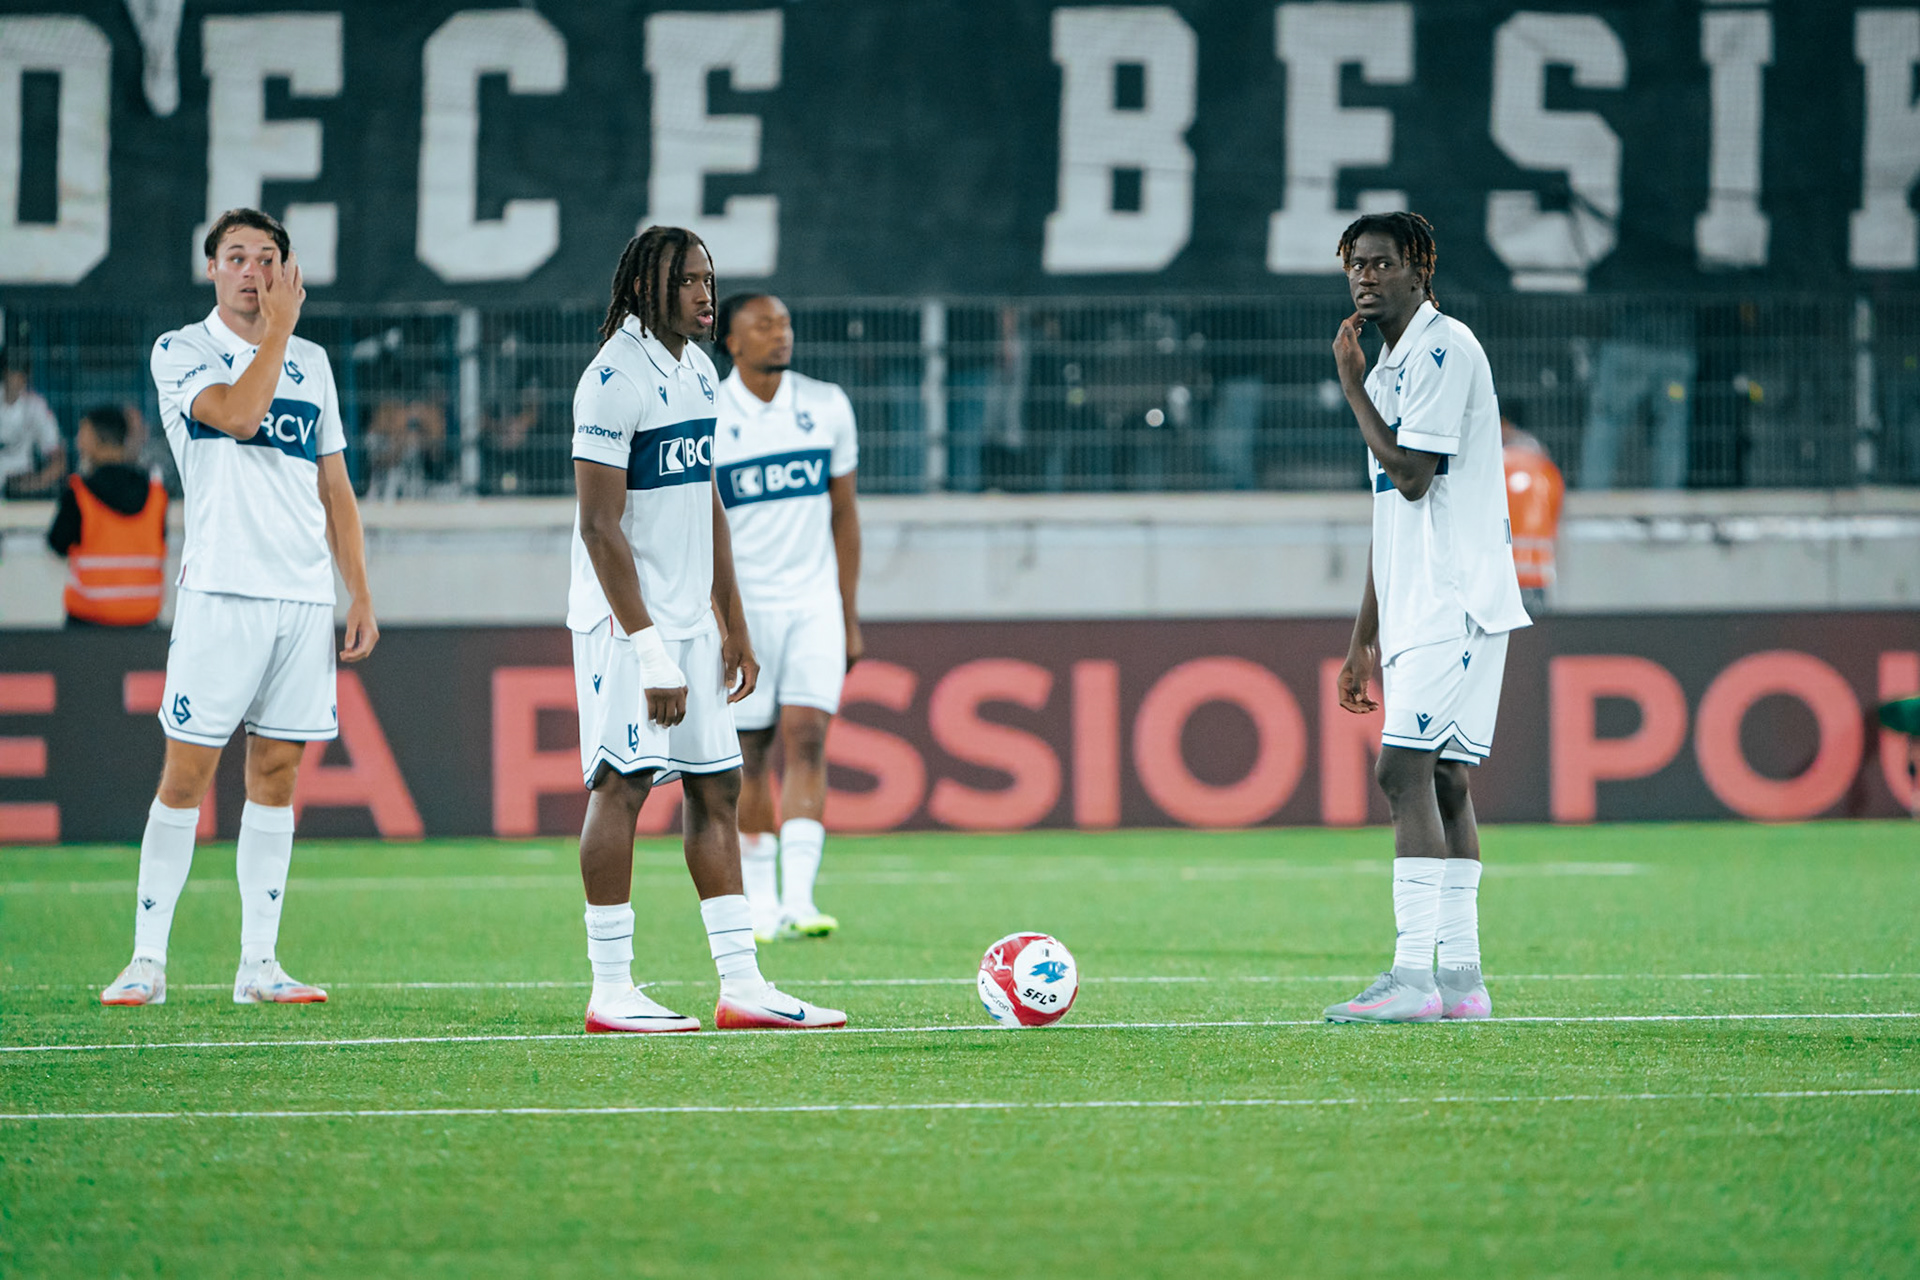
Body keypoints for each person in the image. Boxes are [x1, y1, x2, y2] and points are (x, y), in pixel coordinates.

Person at [568, 227, 846, 1032]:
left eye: (709, 280)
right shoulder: (613, 379)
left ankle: (741, 985)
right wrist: (649, 646)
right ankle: (611, 989)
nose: (705, 295)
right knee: (621, 787)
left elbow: (706, 501)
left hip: (693, 620)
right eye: (689, 281)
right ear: (647, 286)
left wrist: (733, 620)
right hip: (627, 628)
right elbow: (598, 526)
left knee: (717, 787)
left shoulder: (695, 369)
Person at [100, 207, 378, 1008]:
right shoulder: (182, 351)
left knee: (278, 774)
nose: (252, 270)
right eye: (236, 257)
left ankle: (260, 966)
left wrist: (358, 589)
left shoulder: (313, 363)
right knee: (187, 773)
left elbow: (333, 485)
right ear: (212, 270)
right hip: (222, 589)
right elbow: (239, 415)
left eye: (266, 257)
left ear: (287, 270)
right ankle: (146, 960)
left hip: (301, 596)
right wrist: (278, 337)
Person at [1323, 212, 1531, 1025]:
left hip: (1454, 598)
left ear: (1418, 269)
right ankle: (1463, 983)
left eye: (1380, 263)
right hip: (1414, 604)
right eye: (1354, 267)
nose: (1365, 279)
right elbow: (1392, 520)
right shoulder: (1390, 374)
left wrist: (1346, 383)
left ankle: (1413, 978)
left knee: (1399, 774)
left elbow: (1412, 475)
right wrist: (1361, 641)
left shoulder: (1445, 349)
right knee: (1442, 780)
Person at [712, 293, 863, 942]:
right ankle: (760, 901)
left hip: (813, 604)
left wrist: (848, 612)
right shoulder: (710, 416)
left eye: (784, 323)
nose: (780, 335)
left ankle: (800, 899)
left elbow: (845, 514)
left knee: (808, 738)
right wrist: (721, 623)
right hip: (747, 610)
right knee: (749, 752)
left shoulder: (826, 404)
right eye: (762, 325)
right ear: (731, 342)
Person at [46, 404, 168, 627]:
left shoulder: (79, 493)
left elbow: (57, 543)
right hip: (145, 623)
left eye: (82, 435)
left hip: (88, 624)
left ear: (94, 439)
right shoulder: (156, 494)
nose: (78, 442)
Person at [1502, 411, 1564, 615]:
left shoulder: (1492, 467)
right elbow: (1555, 518)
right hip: (1538, 577)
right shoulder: (1547, 469)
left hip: (1501, 576)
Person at [0, 354, 66, 498]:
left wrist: (36, 483)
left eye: (23, 374)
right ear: (5, 374)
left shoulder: (36, 406)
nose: (19, 379)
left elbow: (58, 456)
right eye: (13, 372)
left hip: (19, 488)